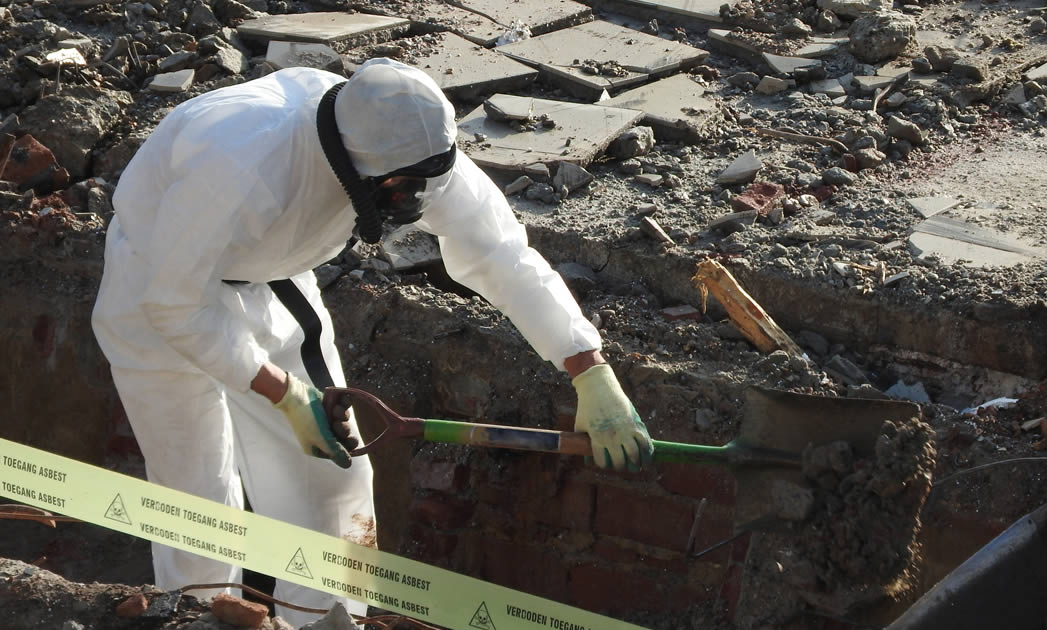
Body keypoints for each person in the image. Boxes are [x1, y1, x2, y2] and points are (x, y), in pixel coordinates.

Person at [91, 58, 652, 626]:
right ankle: (198, 616)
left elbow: (500, 252)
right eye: (395, 191)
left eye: (419, 189)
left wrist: (587, 366)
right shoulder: (240, 160)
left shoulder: (417, 150)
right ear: (349, 163)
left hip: (274, 275)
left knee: (335, 476)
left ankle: (328, 621)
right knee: (197, 491)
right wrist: (282, 392)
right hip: (156, 283)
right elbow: (175, 304)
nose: (408, 201)